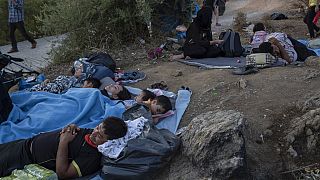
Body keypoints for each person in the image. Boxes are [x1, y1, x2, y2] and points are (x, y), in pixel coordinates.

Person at [0, 116, 127, 179]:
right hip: (24, 143)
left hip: (24, 158)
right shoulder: (89, 132)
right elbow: (74, 131)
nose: (94, 133)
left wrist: (63, 142)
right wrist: (71, 126)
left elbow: (63, 173)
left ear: (108, 142)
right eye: (98, 127)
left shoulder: (91, 156)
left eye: (100, 136)